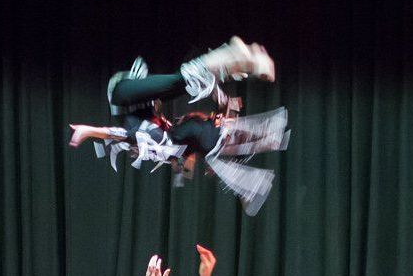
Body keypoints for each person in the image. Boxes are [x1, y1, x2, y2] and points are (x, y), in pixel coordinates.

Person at [69, 38, 287, 215]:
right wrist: (224, 102)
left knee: (180, 81)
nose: (184, 167)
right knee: (182, 81)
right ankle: (238, 57)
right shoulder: (174, 141)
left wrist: (87, 131)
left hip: (122, 94)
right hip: (139, 97)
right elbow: (200, 140)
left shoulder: (153, 141)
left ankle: (237, 55)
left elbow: (121, 135)